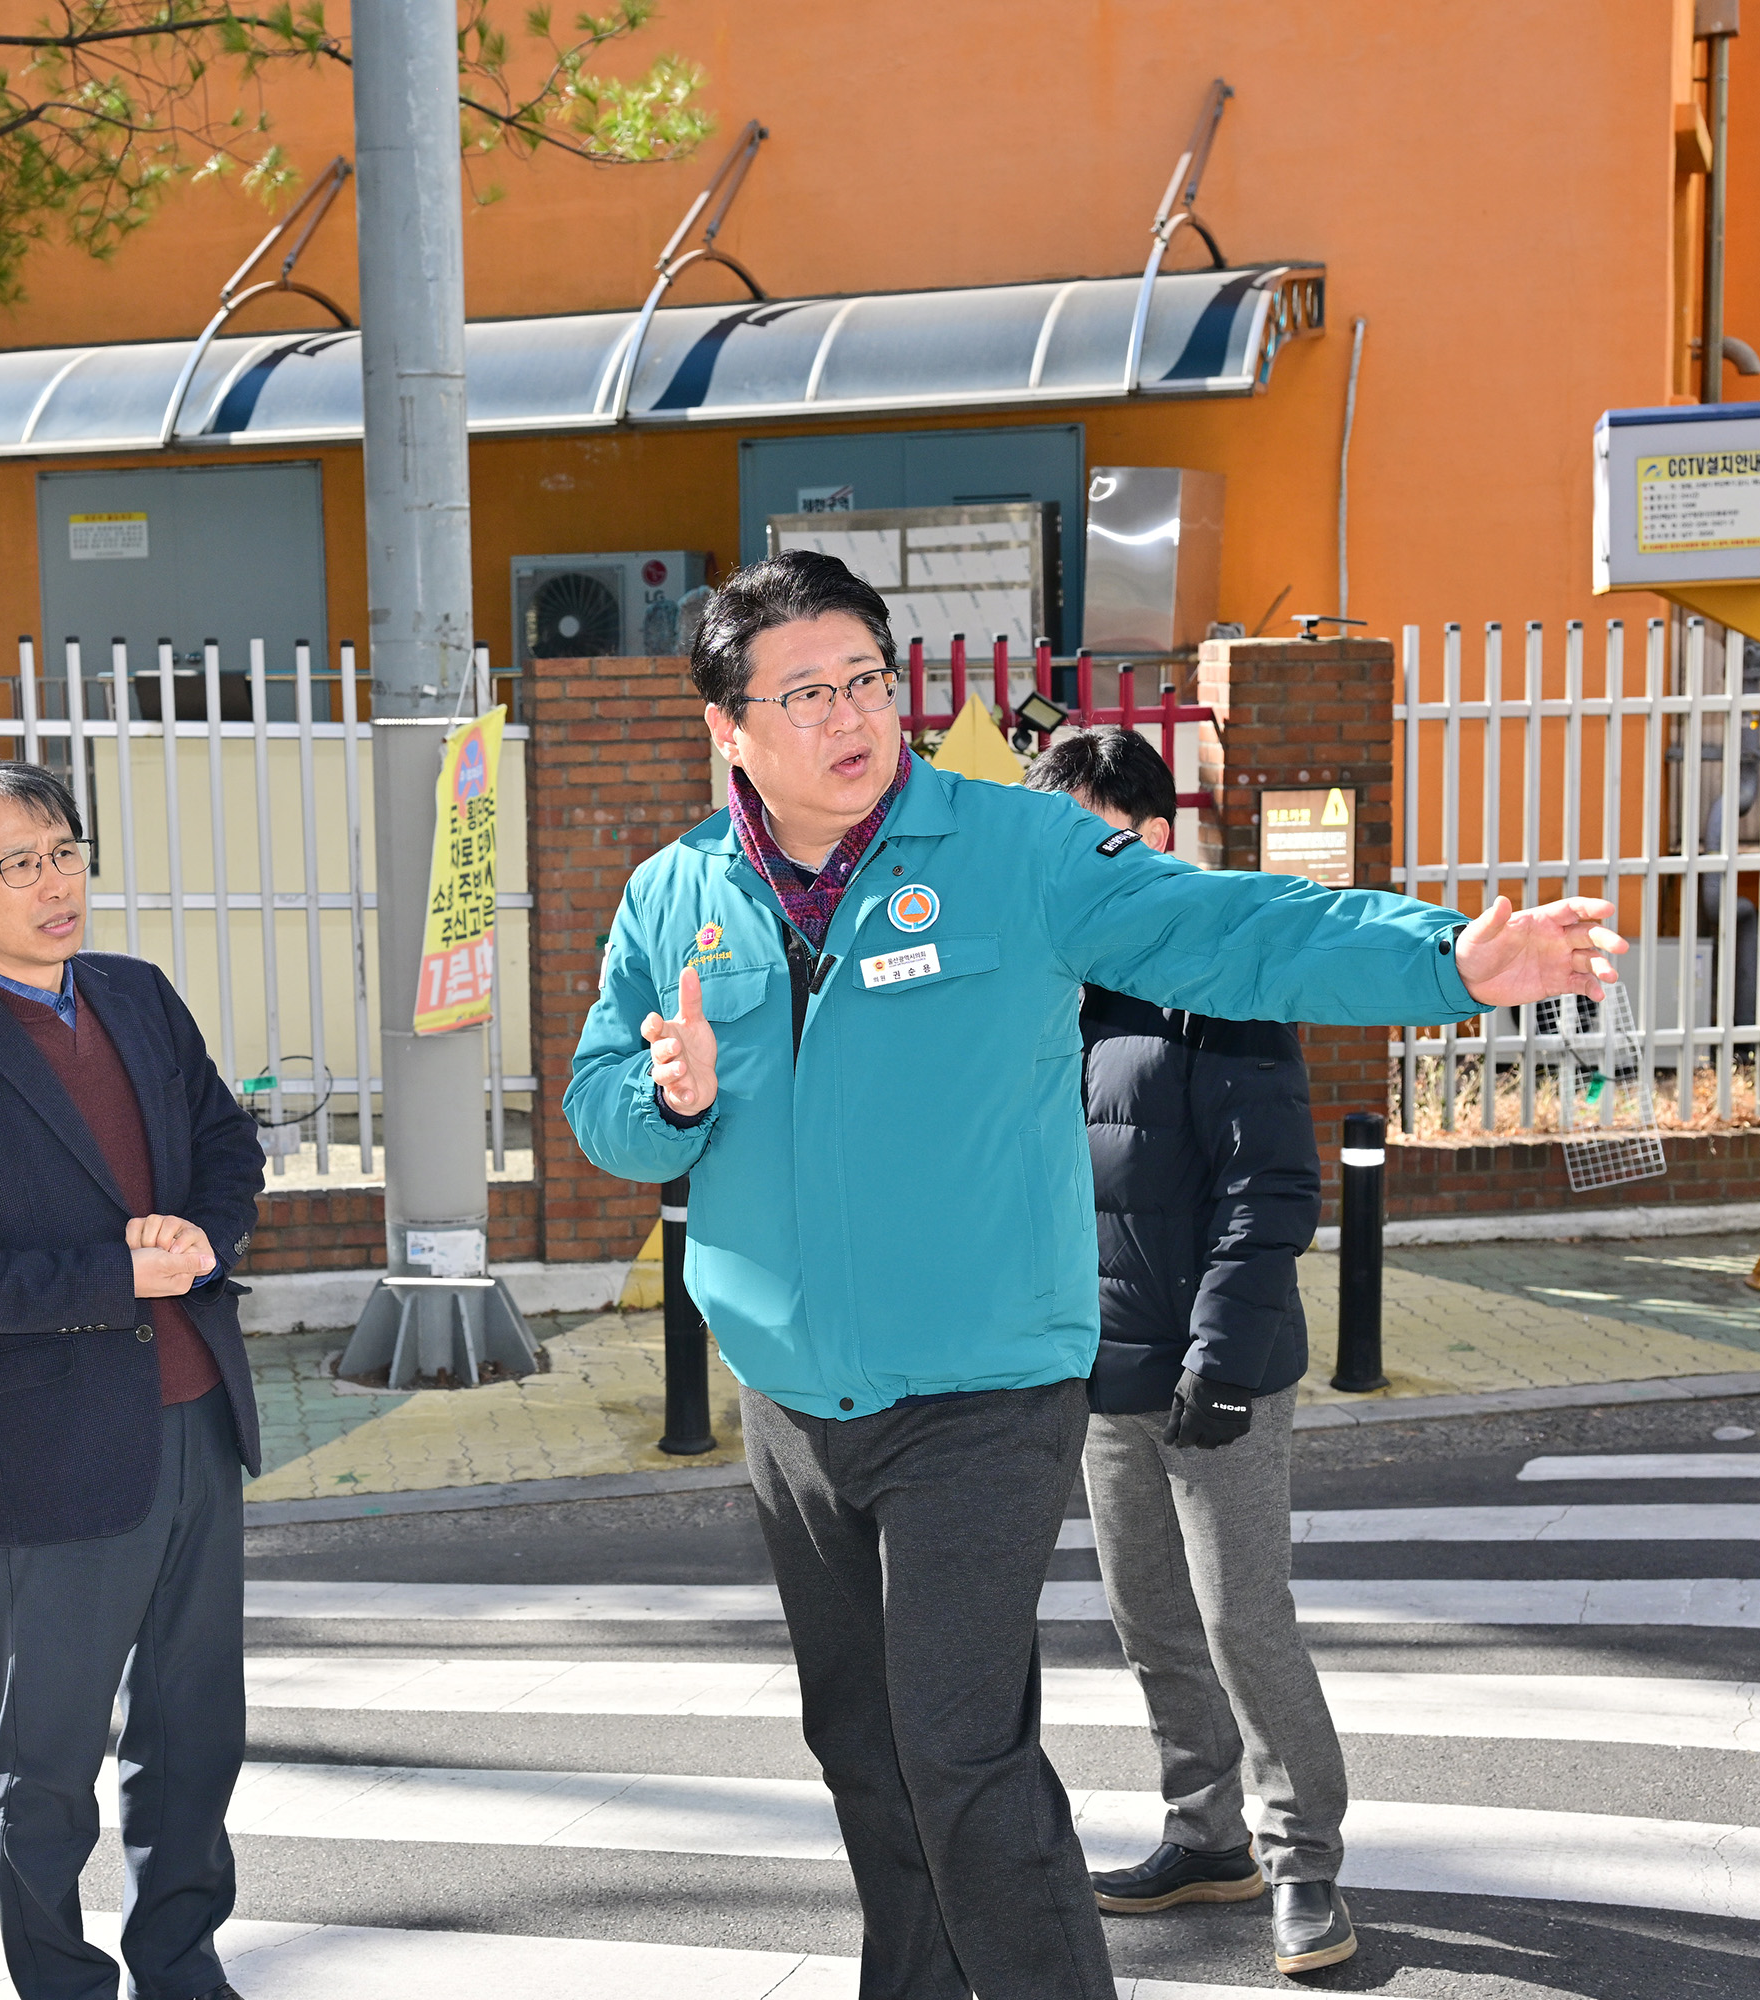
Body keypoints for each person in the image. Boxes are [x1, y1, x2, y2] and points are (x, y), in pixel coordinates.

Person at [563, 551, 1622, 2000]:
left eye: (868, 678)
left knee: (956, 1744)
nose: (850, 716)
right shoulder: (672, 895)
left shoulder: (1012, 853)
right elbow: (600, 1104)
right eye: (804, 693)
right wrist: (666, 1102)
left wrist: (1447, 958)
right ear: (729, 729)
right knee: (862, 1748)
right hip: (790, 1399)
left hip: (985, 1385)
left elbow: (1237, 927)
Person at [0, 758, 266, 2000]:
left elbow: (222, 1140)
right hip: (60, 1457)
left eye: (66, 851)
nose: (54, 882)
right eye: (16, 862)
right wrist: (111, 1274)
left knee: (194, 1738)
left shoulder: (136, 995)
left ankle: (182, 1969)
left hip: (198, 1418)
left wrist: (204, 1234)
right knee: (47, 1765)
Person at [1026, 726, 1358, 1977]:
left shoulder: (1218, 974)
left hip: (1220, 1367)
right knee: (1152, 1620)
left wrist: (1218, 1354)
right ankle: (1205, 1832)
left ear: (1154, 836)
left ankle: (1304, 1861)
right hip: (1104, 1368)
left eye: (1097, 833)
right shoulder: (1059, 987)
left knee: (1241, 1621)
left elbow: (1269, 1185)